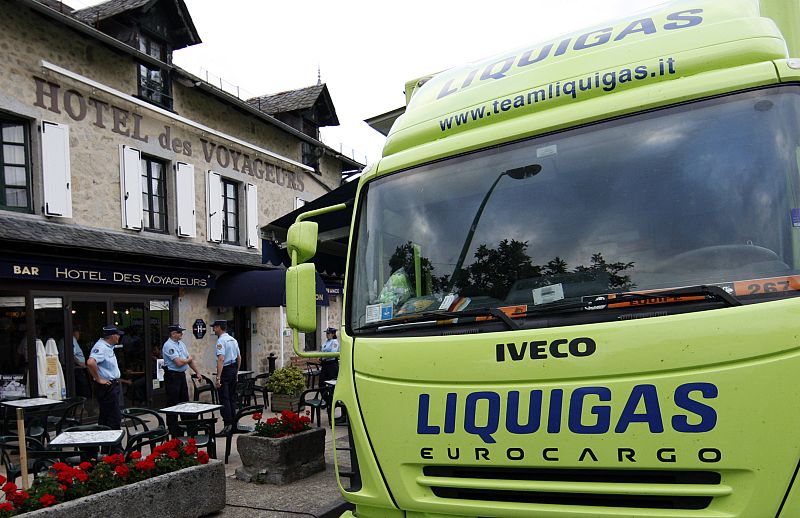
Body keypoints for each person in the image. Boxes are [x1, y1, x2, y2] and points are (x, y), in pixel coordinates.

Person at [162, 324, 201, 434]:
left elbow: (189, 360)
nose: (181, 334)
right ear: (173, 334)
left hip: (181, 375)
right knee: (173, 402)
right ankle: (173, 427)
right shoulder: (169, 345)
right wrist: (188, 359)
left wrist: (197, 372)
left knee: (184, 401)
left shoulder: (181, 344)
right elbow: (178, 362)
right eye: (179, 332)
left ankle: (185, 425)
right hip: (172, 376)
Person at [86, 326, 123, 430]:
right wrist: (98, 379)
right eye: (117, 334)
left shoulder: (108, 346)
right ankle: (115, 445)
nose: (119, 336)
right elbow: (90, 362)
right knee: (113, 417)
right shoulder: (101, 347)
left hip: (111, 385)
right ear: (112, 336)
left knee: (106, 416)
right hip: (107, 387)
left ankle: (107, 445)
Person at [211, 320, 239, 428]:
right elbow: (239, 357)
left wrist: (218, 377)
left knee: (224, 398)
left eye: (214, 327)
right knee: (232, 397)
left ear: (219, 327)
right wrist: (236, 372)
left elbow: (221, 359)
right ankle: (234, 422)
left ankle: (227, 424)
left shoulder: (221, 341)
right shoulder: (233, 340)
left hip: (226, 370)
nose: (213, 329)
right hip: (233, 368)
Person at [71, 326, 91, 398]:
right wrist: (80, 364)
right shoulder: (72, 339)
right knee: (83, 389)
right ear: (74, 332)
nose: (79, 334)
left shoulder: (70, 340)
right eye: (78, 333)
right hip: (77, 368)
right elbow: (71, 355)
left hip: (77, 368)